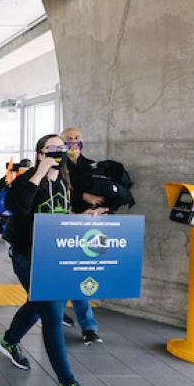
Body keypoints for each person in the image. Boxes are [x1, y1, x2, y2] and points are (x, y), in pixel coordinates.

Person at [0, 133, 103, 386]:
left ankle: (9, 340)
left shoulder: (64, 183)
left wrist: (84, 218)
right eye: (52, 148)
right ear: (41, 152)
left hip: (52, 256)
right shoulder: (29, 178)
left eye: (61, 148)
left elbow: (61, 215)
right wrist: (39, 169)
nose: (59, 151)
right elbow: (18, 208)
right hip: (28, 256)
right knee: (52, 315)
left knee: (38, 304)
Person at [60, 127, 106, 344]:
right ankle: (52, 313)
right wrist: (82, 196)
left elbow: (104, 194)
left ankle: (89, 327)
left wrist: (100, 209)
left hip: (86, 228)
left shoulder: (91, 166)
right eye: (68, 139)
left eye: (77, 138)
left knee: (80, 277)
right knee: (57, 276)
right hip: (61, 227)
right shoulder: (57, 165)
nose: (73, 142)